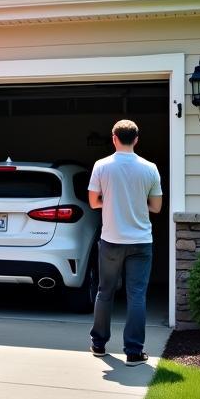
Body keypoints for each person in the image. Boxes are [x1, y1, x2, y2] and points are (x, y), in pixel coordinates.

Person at [87, 119, 163, 365]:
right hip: (141, 242)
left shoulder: (101, 166)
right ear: (137, 139)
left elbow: (93, 202)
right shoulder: (150, 168)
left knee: (105, 292)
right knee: (137, 295)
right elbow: (157, 207)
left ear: (114, 138)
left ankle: (98, 345)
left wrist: (109, 203)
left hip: (110, 240)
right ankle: (133, 351)